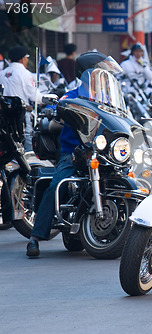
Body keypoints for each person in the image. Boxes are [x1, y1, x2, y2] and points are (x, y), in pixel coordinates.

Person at [26, 51, 112, 257]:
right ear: (88, 74)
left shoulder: (109, 97)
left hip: (103, 152)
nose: (105, 76)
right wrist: (55, 110)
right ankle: (35, 237)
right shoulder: (73, 96)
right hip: (74, 152)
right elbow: (60, 107)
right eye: (101, 72)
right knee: (57, 184)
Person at [0, 45, 42, 151]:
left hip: (3, 116)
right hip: (21, 115)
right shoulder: (25, 74)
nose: (27, 60)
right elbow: (34, 96)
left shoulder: (2, 74)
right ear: (22, 59)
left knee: (6, 143)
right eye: (26, 57)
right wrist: (47, 98)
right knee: (27, 143)